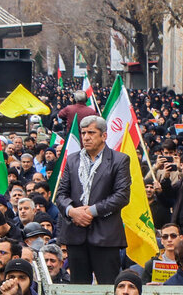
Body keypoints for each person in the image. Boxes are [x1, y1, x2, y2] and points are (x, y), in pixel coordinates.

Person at [56, 115, 132, 284]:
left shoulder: (119, 160)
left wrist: (91, 211)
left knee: (108, 287)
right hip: (75, 233)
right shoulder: (72, 160)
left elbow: (122, 196)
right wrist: (72, 211)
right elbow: (61, 194)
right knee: (78, 289)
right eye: (83, 133)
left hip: (105, 235)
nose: (86, 137)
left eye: (91, 132)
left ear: (104, 136)